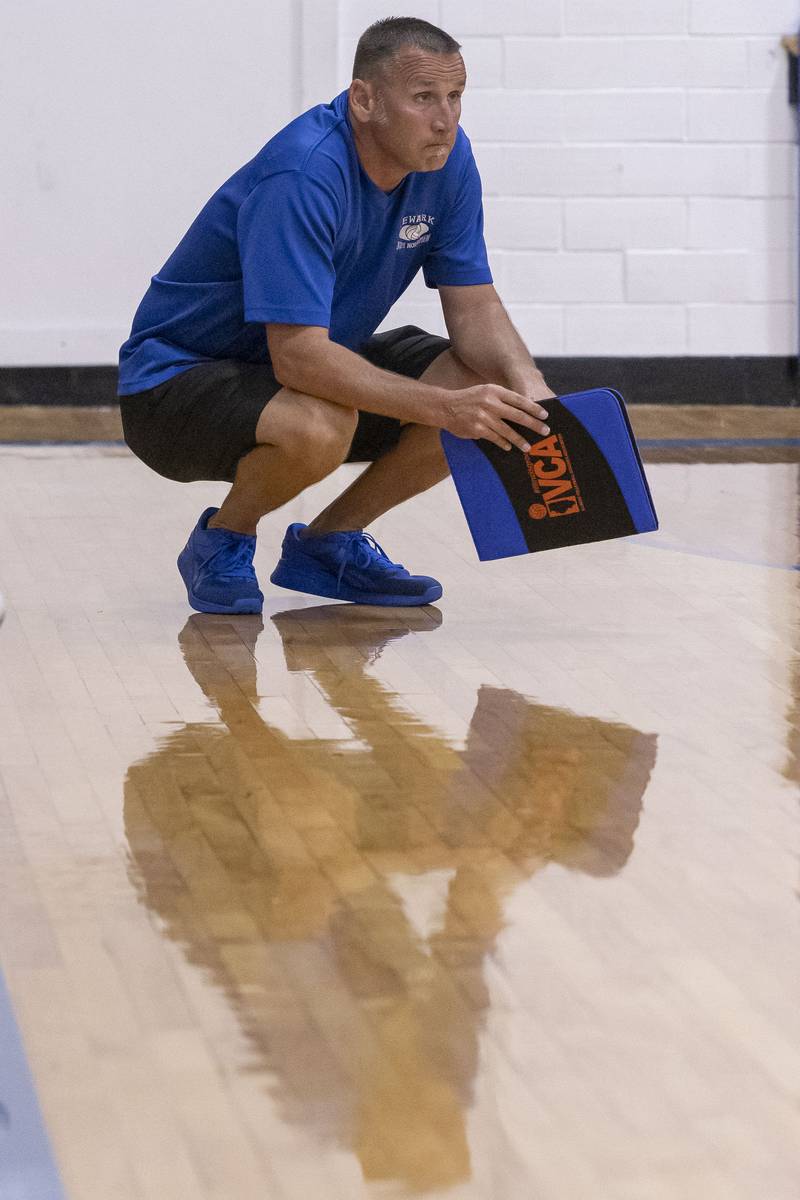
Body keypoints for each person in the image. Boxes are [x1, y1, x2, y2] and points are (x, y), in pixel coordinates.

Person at [117, 16, 555, 614]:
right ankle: (223, 537)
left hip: (300, 370)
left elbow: (474, 300)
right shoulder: (303, 173)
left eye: (455, 97)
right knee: (323, 422)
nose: (444, 118)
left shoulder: (447, 162)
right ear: (365, 99)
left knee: (494, 394)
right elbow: (296, 356)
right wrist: (447, 411)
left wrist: (533, 391)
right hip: (175, 386)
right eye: (423, 97)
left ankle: (326, 546)